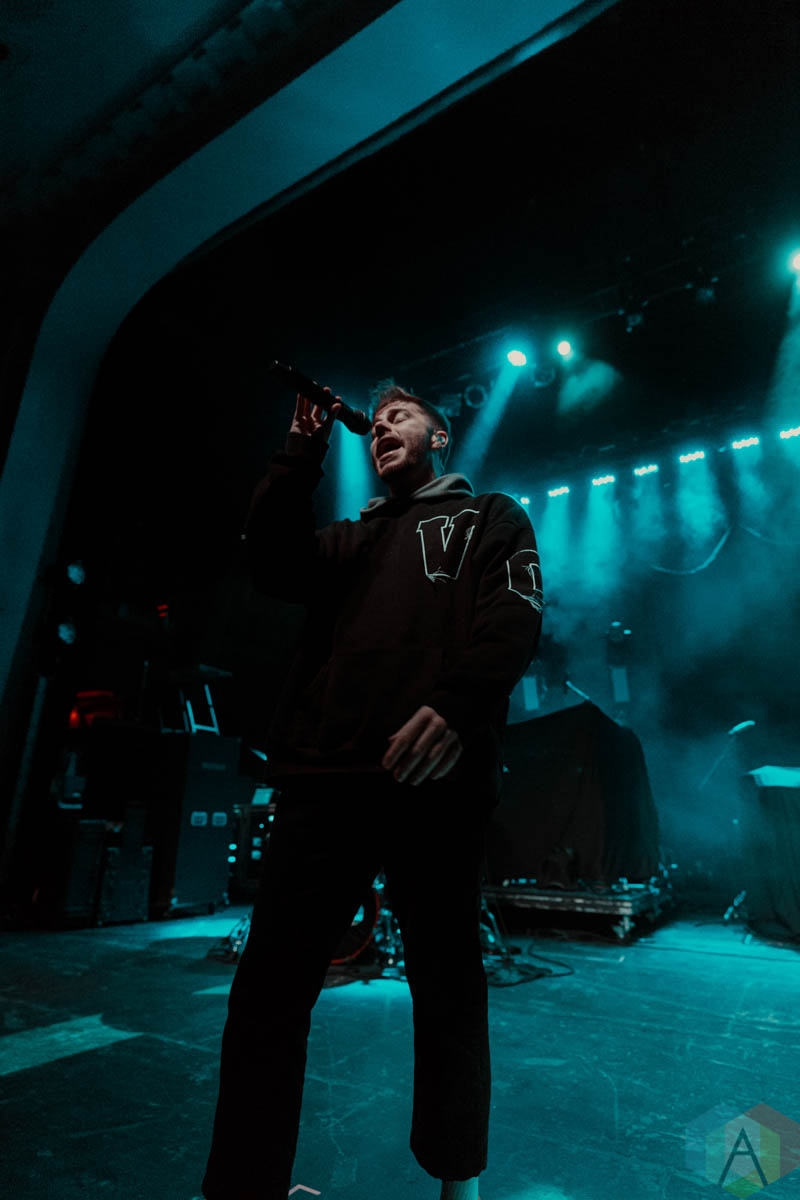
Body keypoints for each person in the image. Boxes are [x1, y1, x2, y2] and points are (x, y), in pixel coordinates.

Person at [201, 380, 543, 1200]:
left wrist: (456, 707)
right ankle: (245, 1187)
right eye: (375, 422)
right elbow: (271, 561)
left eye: (401, 417)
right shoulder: (351, 539)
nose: (382, 428)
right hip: (324, 779)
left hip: (438, 786)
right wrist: (300, 451)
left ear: (439, 434)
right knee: (269, 990)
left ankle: (457, 1182)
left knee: (448, 984)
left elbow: (516, 618)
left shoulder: (491, 516)